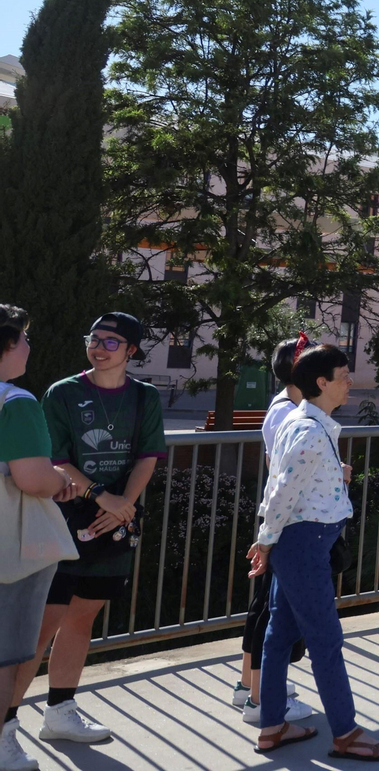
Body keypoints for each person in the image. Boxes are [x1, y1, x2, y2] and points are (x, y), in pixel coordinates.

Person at [14, 314, 164, 747]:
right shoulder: (63, 393)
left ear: (131, 351)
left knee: (82, 619)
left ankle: (59, 712)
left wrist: (125, 506)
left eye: (111, 342)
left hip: (114, 526)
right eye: (93, 339)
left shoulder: (145, 397)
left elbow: (147, 456)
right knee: (40, 625)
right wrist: (104, 497)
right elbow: (55, 459)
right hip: (62, 521)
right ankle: (6, 724)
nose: (98, 347)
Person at [247, 344, 379, 760]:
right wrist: (266, 538)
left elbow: (288, 484)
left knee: (279, 635)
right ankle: (346, 733)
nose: (351, 381)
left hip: (301, 543)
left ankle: (272, 726)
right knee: (326, 640)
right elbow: (280, 491)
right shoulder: (309, 430)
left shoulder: (310, 424)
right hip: (303, 546)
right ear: (321, 382)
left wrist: (270, 537)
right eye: (344, 375)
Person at [0, 306, 73, 771]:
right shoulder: (16, 402)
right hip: (11, 548)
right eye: (24, 338)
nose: (29, 347)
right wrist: (58, 479)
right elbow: (31, 478)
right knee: (6, 655)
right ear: (7, 345)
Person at [235, 337, 317, 724]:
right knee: (274, 611)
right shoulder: (293, 414)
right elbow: (290, 474)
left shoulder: (281, 406)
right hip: (289, 519)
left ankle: (248, 684)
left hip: (277, 516)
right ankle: (261, 700)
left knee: (263, 606)